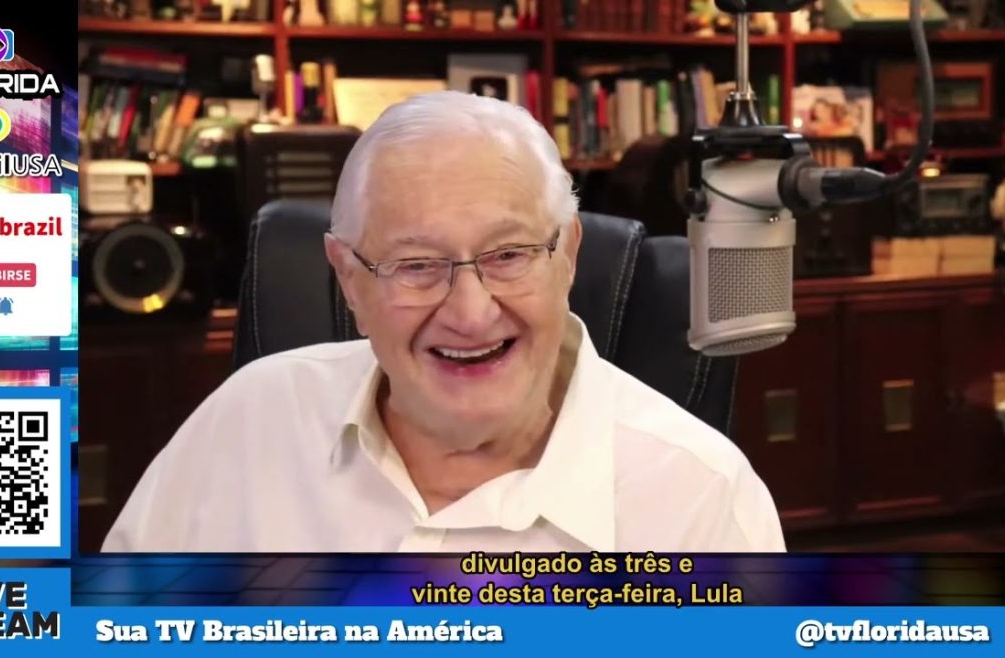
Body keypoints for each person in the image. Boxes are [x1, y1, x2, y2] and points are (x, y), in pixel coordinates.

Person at [102, 91, 785, 553]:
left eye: (509, 254)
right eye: (416, 265)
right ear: (348, 278)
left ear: (568, 254)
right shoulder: (247, 421)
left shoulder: (701, 499)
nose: (470, 312)